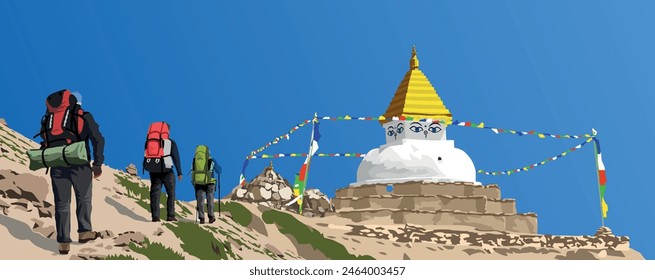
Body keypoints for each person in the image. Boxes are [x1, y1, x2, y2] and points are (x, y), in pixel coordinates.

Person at [38, 90, 105, 255]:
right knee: (83, 198)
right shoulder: (84, 116)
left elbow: (44, 139)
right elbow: (98, 139)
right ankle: (84, 232)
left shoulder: (49, 118)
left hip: (57, 163)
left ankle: (63, 242)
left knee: (62, 203)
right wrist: (97, 164)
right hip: (79, 164)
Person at [144, 122, 182, 222]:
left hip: (154, 169)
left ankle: (155, 217)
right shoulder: (170, 142)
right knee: (171, 192)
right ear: (167, 131)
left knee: (155, 192)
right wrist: (179, 172)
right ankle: (170, 215)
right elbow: (176, 158)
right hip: (167, 170)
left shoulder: (149, 141)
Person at [191, 145, 221, 224]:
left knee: (200, 200)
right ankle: (211, 217)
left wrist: (193, 182)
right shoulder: (212, 160)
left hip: (198, 182)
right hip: (210, 182)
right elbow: (219, 171)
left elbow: (193, 172)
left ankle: (201, 218)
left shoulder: (195, 160)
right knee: (210, 199)